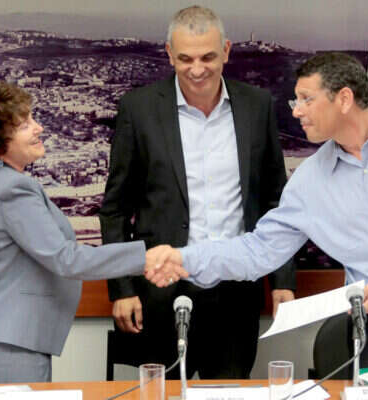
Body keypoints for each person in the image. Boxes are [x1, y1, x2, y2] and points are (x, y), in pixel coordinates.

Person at [146, 53, 368, 399]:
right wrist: (184, 258)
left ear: (344, 99)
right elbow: (258, 250)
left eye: (306, 99)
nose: (296, 111)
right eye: (295, 100)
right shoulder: (309, 182)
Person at [99, 5, 296, 379]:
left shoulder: (256, 106)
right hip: (161, 293)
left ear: (226, 50)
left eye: (208, 57)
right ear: (169, 54)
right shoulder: (139, 109)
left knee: (229, 395)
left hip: (236, 292)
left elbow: (275, 201)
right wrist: (122, 289)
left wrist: (282, 281)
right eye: (186, 58)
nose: (197, 69)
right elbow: (115, 210)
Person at [0, 82, 176, 383]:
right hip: (12, 338)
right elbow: (65, 258)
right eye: (25, 124)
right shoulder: (11, 188)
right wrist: (145, 257)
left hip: (8, 334)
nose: (39, 128)